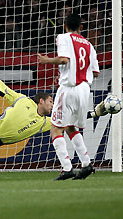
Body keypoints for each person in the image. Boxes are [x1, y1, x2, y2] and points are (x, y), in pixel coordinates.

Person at [38, 13, 100, 180]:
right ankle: (86, 165)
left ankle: (67, 168)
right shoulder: (88, 45)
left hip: (69, 88)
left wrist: (47, 60)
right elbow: (95, 72)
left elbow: (65, 60)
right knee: (71, 127)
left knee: (55, 128)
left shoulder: (64, 37)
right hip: (84, 90)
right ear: (81, 27)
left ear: (65, 26)